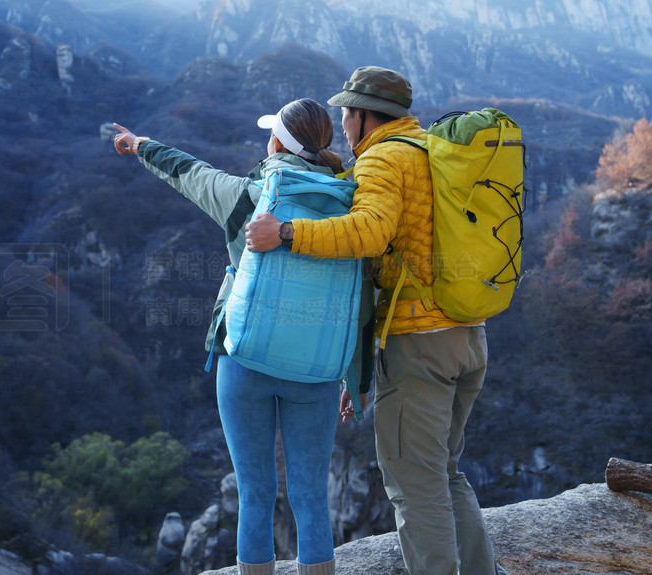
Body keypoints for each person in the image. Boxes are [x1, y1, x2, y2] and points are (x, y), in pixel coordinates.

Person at [245, 67, 504, 575]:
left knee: (414, 484)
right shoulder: (431, 148)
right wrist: (361, 369)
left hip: (420, 343)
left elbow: (367, 233)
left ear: (365, 116)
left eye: (346, 111)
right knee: (445, 474)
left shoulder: (385, 157)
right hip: (467, 334)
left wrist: (288, 234)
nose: (342, 121)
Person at [112, 98, 347, 575]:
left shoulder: (246, 195)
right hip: (318, 370)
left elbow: (188, 171)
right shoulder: (350, 201)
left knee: (255, 492)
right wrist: (358, 372)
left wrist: (139, 145)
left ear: (278, 142)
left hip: (246, 359)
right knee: (309, 496)